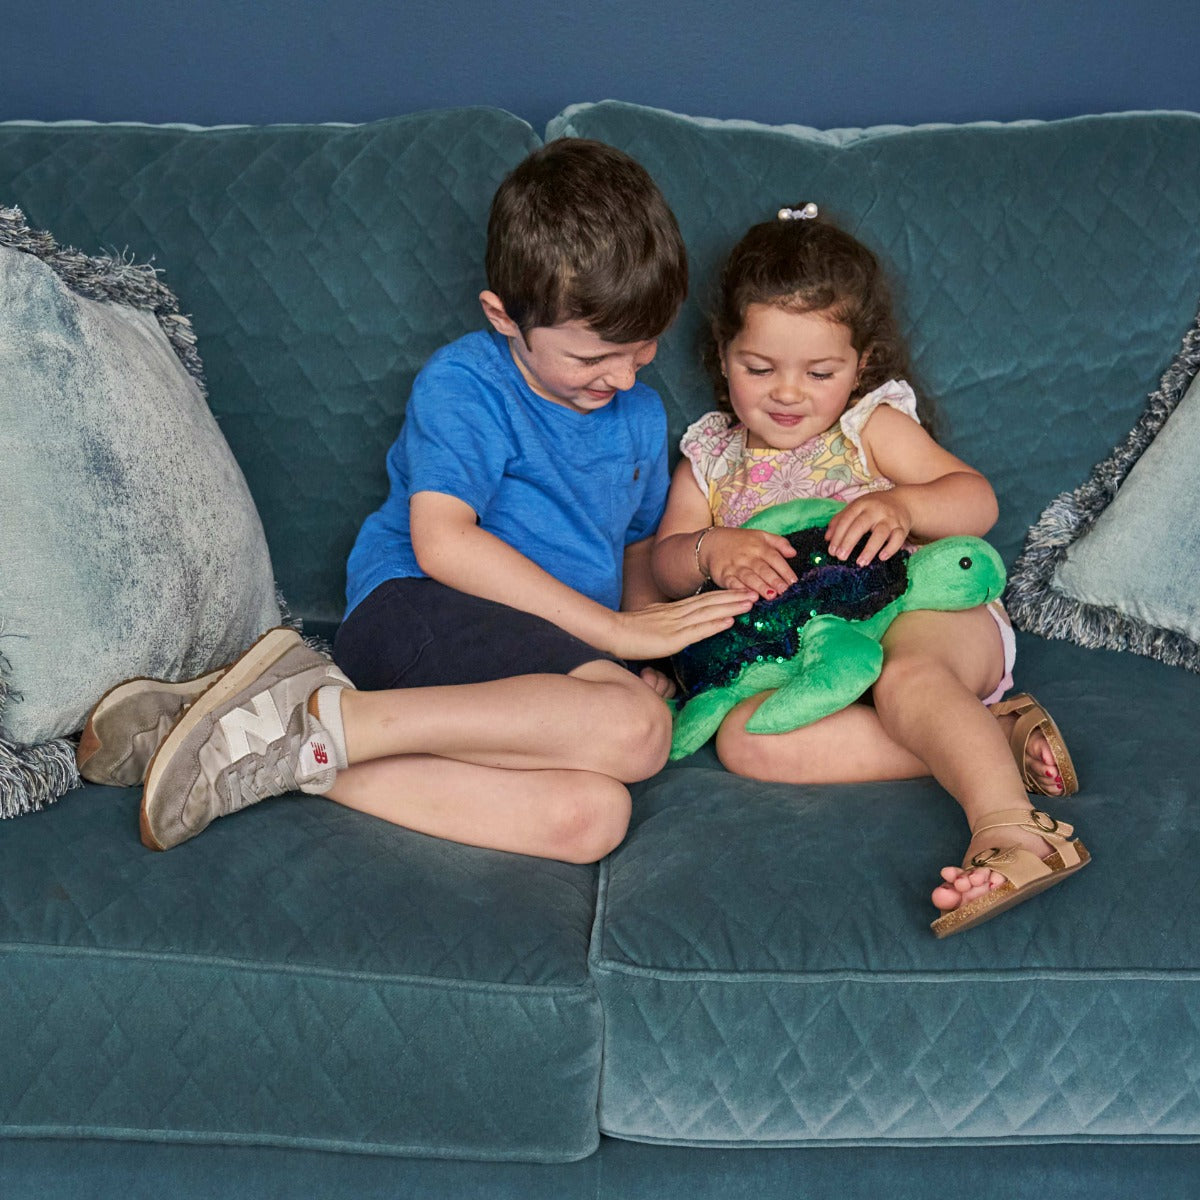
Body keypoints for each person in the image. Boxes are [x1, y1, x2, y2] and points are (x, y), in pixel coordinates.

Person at [77, 139, 754, 862]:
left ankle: (263, 744)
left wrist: (647, 643)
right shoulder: (466, 383)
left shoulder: (641, 419)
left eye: (644, 349)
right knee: (636, 734)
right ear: (503, 316)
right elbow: (444, 541)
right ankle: (328, 717)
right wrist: (613, 640)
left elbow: (632, 555)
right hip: (417, 612)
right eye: (591, 357)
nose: (621, 378)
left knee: (589, 819)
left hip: (542, 658)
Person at [650, 204, 1087, 936]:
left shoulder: (869, 428)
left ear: (859, 366)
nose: (788, 393)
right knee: (750, 742)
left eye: (819, 372)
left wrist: (906, 507)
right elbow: (665, 565)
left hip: (930, 616)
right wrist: (706, 551)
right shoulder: (712, 463)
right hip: (822, 667)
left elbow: (975, 499)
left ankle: (1014, 830)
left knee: (908, 680)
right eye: (759, 368)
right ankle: (985, 738)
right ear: (723, 354)